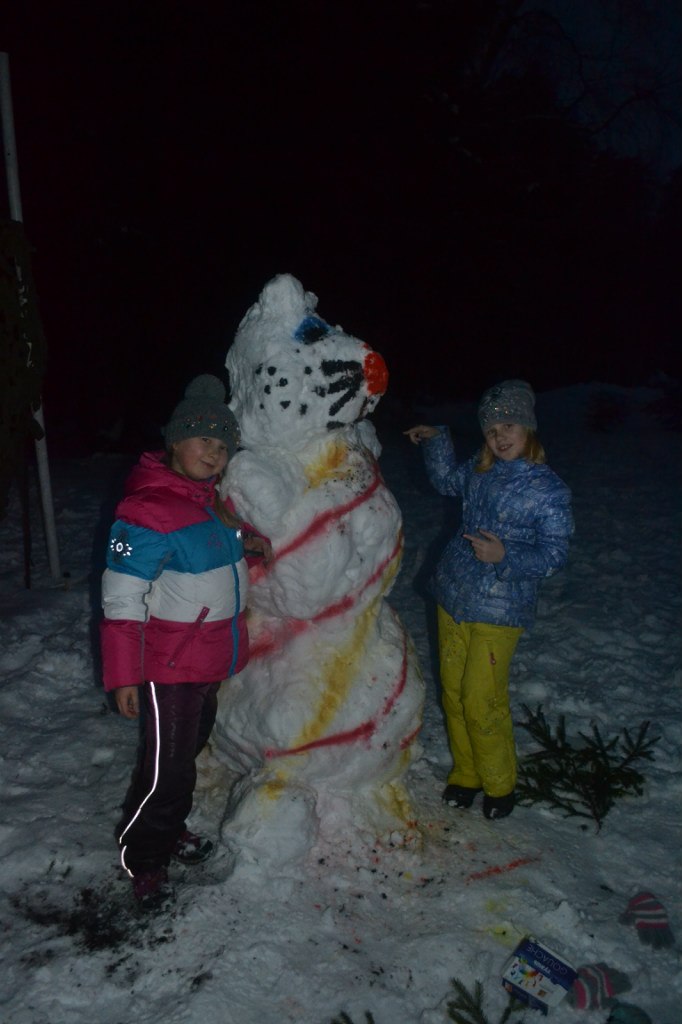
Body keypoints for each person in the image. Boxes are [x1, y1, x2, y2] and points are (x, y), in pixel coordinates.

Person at [101, 374, 270, 909]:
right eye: (204, 439)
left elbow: (215, 555)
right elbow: (121, 599)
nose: (214, 452)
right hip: (168, 666)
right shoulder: (145, 510)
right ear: (175, 440)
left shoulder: (210, 503)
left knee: (179, 758)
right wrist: (124, 677)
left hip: (207, 660)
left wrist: (249, 545)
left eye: (223, 445)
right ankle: (145, 859)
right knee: (169, 771)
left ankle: (165, 829)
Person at [405, 380, 573, 820]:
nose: (500, 436)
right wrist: (437, 439)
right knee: (454, 693)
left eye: (509, 425)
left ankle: (499, 784)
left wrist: (506, 556)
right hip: (453, 595)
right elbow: (445, 480)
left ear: (528, 427)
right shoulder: (479, 472)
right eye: (492, 429)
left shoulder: (548, 490)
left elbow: (554, 554)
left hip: (501, 607)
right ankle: (466, 774)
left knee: (482, 698)